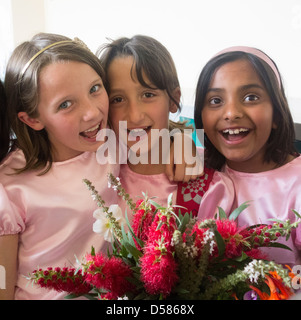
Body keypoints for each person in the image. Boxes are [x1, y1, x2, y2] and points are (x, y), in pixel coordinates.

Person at [0, 33, 119, 300]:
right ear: (31, 119)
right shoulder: (9, 184)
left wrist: (178, 143)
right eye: (66, 104)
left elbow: (162, 137)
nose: (92, 113)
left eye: (94, 89)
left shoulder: (113, 142)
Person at [97, 35, 234, 217]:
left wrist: (185, 141)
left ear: (173, 99)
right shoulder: (100, 173)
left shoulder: (210, 184)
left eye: (147, 94)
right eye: (118, 99)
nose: (135, 115)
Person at [194, 46, 301, 265]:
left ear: (277, 114)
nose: (231, 113)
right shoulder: (193, 167)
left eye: (251, 97)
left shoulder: (296, 184)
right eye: (215, 100)